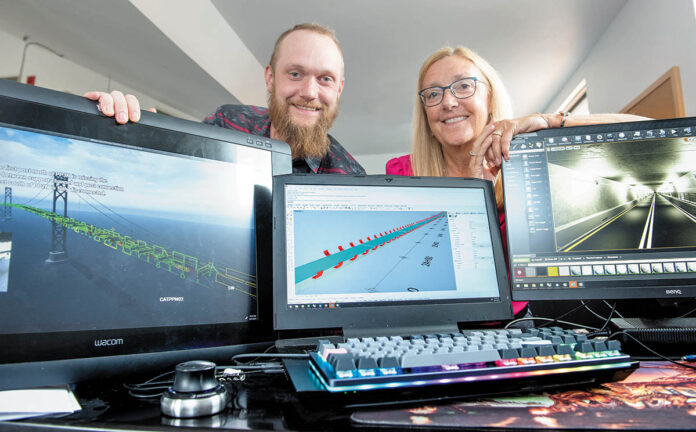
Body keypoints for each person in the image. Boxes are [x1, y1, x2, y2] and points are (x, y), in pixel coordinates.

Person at [387, 45, 646, 318]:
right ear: (425, 111)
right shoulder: (403, 172)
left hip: (525, 321)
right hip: (439, 323)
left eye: (463, 86)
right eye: (433, 93)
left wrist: (548, 120)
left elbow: (646, 128)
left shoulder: (526, 157)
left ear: (490, 98)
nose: (448, 102)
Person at [84, 23, 365, 175]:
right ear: (270, 78)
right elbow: (164, 172)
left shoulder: (352, 177)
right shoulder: (227, 123)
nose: (309, 92)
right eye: (294, 73)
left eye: (325, 79)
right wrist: (121, 130)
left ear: (338, 89)